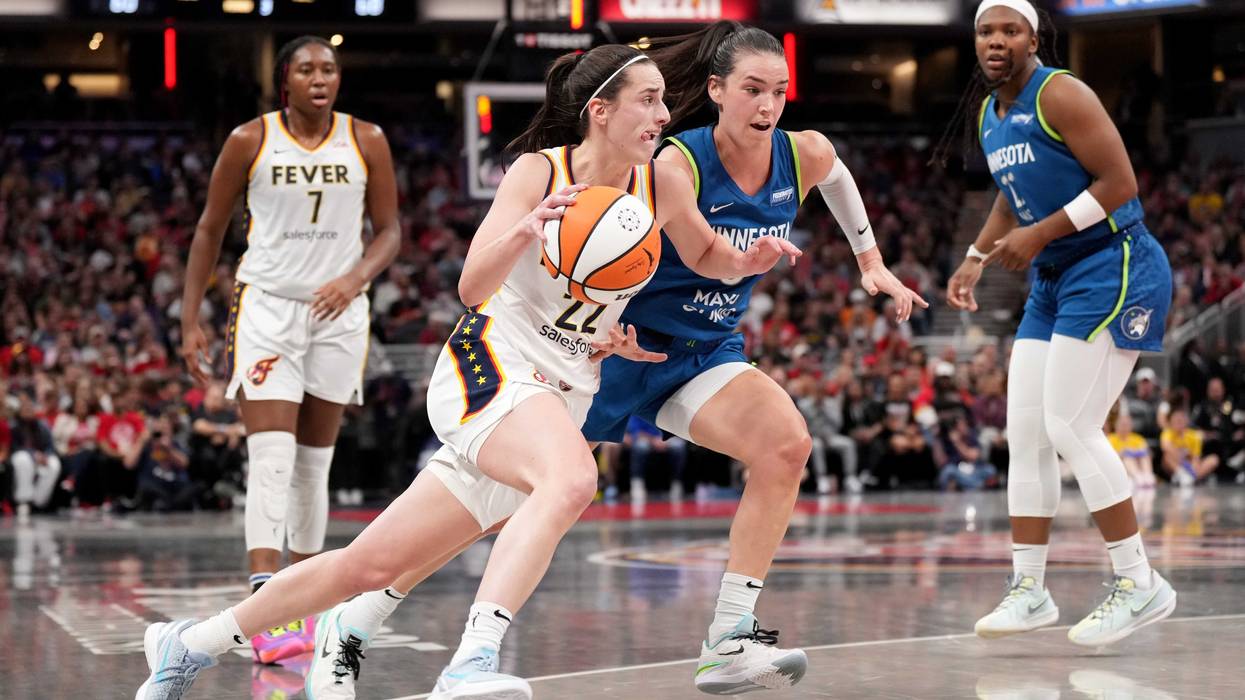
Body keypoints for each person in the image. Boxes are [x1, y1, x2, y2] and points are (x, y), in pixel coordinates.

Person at [135, 43, 799, 700]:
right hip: (491, 366)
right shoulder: (539, 173)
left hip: (562, 386)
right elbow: (472, 287)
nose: (662, 115)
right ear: (600, 111)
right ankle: (472, 663)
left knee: (370, 564)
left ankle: (190, 643)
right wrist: (525, 230)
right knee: (571, 480)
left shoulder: (660, 182)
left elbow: (710, 257)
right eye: (647, 101)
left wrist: (747, 262)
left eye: (662, 101)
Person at [580, 22, 921, 694]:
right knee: (517, 496)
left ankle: (728, 640)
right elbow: (604, 249)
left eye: (779, 92)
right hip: (619, 346)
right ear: (715, 91)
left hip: (705, 350)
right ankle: (365, 606)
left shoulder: (804, 155)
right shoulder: (675, 164)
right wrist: (603, 322)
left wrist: (870, 261)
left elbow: (839, 178)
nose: (767, 107)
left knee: (785, 447)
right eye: (751, 91)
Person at [942, 0, 1176, 646]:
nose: (995, 40)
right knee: (1026, 433)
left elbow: (1120, 181)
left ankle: (1138, 582)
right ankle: (1030, 590)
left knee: (1068, 425)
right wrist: (973, 257)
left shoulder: (1061, 94)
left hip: (1112, 263)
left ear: (1032, 37)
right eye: (985, 30)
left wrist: (1039, 233)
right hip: (1054, 278)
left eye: (1007, 30)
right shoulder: (991, 113)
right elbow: (1009, 195)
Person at [175, 34, 402, 663]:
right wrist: (190, 318)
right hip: (268, 307)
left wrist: (355, 278)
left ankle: (303, 604)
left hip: (339, 311)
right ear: (286, 82)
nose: (320, 77)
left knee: (312, 465)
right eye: (306, 69)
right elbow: (209, 228)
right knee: (271, 457)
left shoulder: (367, 140)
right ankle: (262, 604)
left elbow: (390, 233)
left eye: (329, 67)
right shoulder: (251, 139)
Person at [1161, 407, 1217, 486]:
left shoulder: (1194, 435)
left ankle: (1190, 478)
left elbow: (1196, 457)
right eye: (1176, 421)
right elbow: (1166, 446)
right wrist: (1182, 459)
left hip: (1190, 465)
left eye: (1181, 420)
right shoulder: (1167, 432)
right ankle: (1182, 475)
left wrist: (1192, 470)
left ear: (1186, 421)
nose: (1178, 423)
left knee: (1213, 459)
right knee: (1167, 456)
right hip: (1176, 465)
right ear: (1171, 422)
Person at [1107, 406, 1155, 488]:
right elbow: (1109, 458)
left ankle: (1148, 476)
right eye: (1122, 425)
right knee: (1127, 458)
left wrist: (1138, 452)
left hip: (1139, 464)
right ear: (1116, 426)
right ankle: (1137, 477)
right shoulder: (1110, 439)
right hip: (1121, 467)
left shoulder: (1138, 438)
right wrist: (1122, 453)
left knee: (1144, 456)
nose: (1125, 427)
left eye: (1127, 425)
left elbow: (1148, 453)